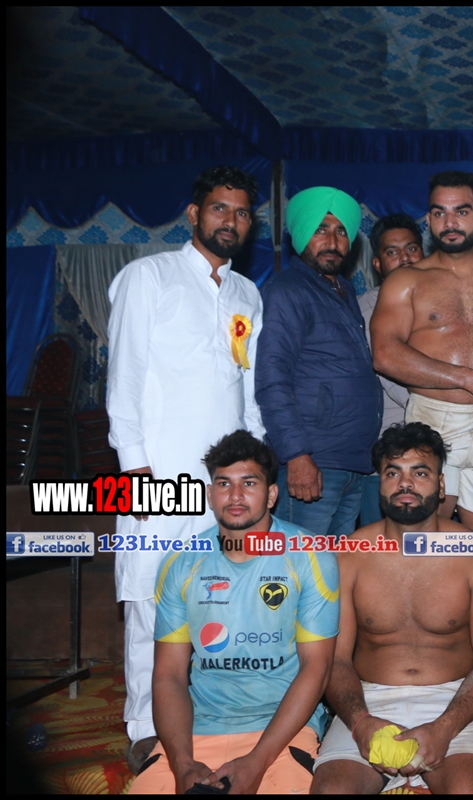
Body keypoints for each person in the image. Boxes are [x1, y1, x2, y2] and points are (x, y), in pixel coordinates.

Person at [106, 165, 266, 770]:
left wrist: (255, 468)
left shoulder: (246, 294)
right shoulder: (148, 277)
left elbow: (247, 389)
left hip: (226, 483)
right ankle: (146, 727)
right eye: (220, 208)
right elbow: (123, 379)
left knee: (218, 598)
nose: (231, 221)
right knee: (151, 597)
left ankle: (209, 716)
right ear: (195, 214)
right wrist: (134, 470)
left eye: (242, 212)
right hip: (159, 475)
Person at [128, 431, 339, 794]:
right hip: (196, 731)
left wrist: (257, 761)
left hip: (282, 731)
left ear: (271, 495)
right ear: (210, 494)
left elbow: (316, 669)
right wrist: (182, 762)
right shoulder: (181, 562)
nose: (235, 495)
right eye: (224, 483)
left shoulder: (310, 556)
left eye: (249, 483)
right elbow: (169, 675)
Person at [312, 422, 473, 794]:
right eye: (393, 473)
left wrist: (445, 728)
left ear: (441, 485)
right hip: (368, 700)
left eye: (420, 473)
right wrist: (360, 722)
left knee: (469, 790)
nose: (405, 483)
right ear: (380, 484)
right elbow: (334, 660)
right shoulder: (348, 555)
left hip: (453, 699)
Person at [371, 171, 473, 534]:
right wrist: (469, 379)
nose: (450, 222)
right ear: (428, 220)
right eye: (439, 213)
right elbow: (384, 354)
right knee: (423, 541)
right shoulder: (406, 281)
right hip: (432, 418)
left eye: (461, 211)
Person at [257, 186, 382, 538]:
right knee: (299, 565)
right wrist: (297, 456)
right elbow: (272, 379)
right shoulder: (288, 290)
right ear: (300, 235)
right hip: (313, 462)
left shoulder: (342, 289)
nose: (332, 241)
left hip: (351, 463)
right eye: (320, 229)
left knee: (333, 566)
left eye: (341, 231)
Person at [358, 214, 425, 526]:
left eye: (411, 248)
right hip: (390, 455)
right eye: (392, 252)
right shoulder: (369, 308)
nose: (404, 258)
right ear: (377, 264)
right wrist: (448, 405)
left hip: (440, 446)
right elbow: (391, 372)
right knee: (385, 547)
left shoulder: (440, 298)